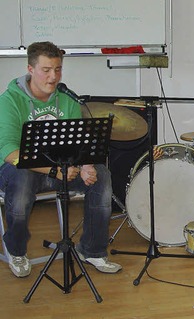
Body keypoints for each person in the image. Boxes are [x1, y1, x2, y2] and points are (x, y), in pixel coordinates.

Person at [0, 41, 121, 277]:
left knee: (102, 175)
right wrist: (52, 170)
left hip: (60, 171)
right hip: (16, 172)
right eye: (46, 70)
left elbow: (78, 145)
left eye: (58, 69)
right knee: (22, 176)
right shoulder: (9, 101)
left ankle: (93, 250)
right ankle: (16, 250)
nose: (53, 76)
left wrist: (86, 166)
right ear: (30, 69)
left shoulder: (67, 100)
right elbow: (7, 150)